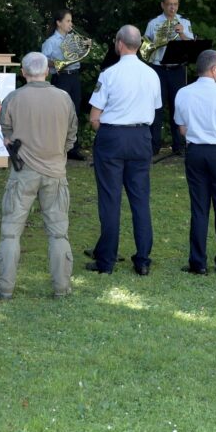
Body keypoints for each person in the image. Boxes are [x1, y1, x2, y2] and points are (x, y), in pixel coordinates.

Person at [0, 52, 78, 298]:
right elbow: (71, 136)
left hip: (23, 173)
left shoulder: (13, 98)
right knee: (58, 232)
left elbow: (6, 133)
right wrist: (57, 153)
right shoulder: (64, 98)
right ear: (47, 71)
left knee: (11, 231)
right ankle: (62, 288)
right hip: (55, 172)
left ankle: (4, 287)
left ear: (23, 72)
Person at [86, 25, 161, 275]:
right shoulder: (152, 75)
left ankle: (106, 260)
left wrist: (108, 131)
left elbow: (94, 117)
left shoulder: (109, 75)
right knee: (140, 200)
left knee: (110, 199)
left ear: (119, 43)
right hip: (141, 136)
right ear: (139, 44)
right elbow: (155, 108)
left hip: (112, 136)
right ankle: (142, 259)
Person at [174, 49, 216, 275]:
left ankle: (198, 262)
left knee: (199, 207)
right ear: (213, 69)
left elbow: (182, 129)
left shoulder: (183, 93)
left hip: (195, 152)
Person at [144, 0, 194, 156]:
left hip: (177, 69)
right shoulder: (153, 23)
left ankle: (178, 145)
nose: (173, 8)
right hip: (158, 68)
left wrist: (182, 33)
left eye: (175, 4)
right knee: (156, 108)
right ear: (162, 5)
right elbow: (145, 47)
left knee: (177, 107)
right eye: (169, 4)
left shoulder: (184, 23)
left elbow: (191, 46)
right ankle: (154, 145)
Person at [41, 9, 87, 160]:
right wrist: (57, 63)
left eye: (71, 21)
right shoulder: (50, 42)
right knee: (60, 113)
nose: (70, 24)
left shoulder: (73, 39)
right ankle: (57, 148)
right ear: (58, 23)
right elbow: (43, 60)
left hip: (74, 77)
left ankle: (73, 148)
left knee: (75, 112)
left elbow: (79, 55)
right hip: (61, 78)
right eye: (67, 21)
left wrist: (86, 45)